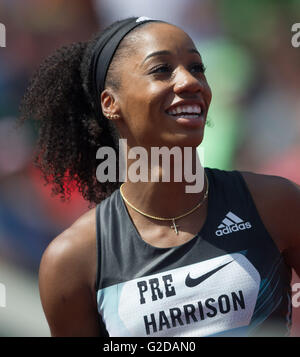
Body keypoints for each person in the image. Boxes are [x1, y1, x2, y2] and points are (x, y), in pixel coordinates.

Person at [20, 16, 300, 337]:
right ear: (111, 103)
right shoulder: (72, 260)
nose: (189, 82)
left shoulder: (276, 204)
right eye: (162, 69)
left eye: (196, 68)